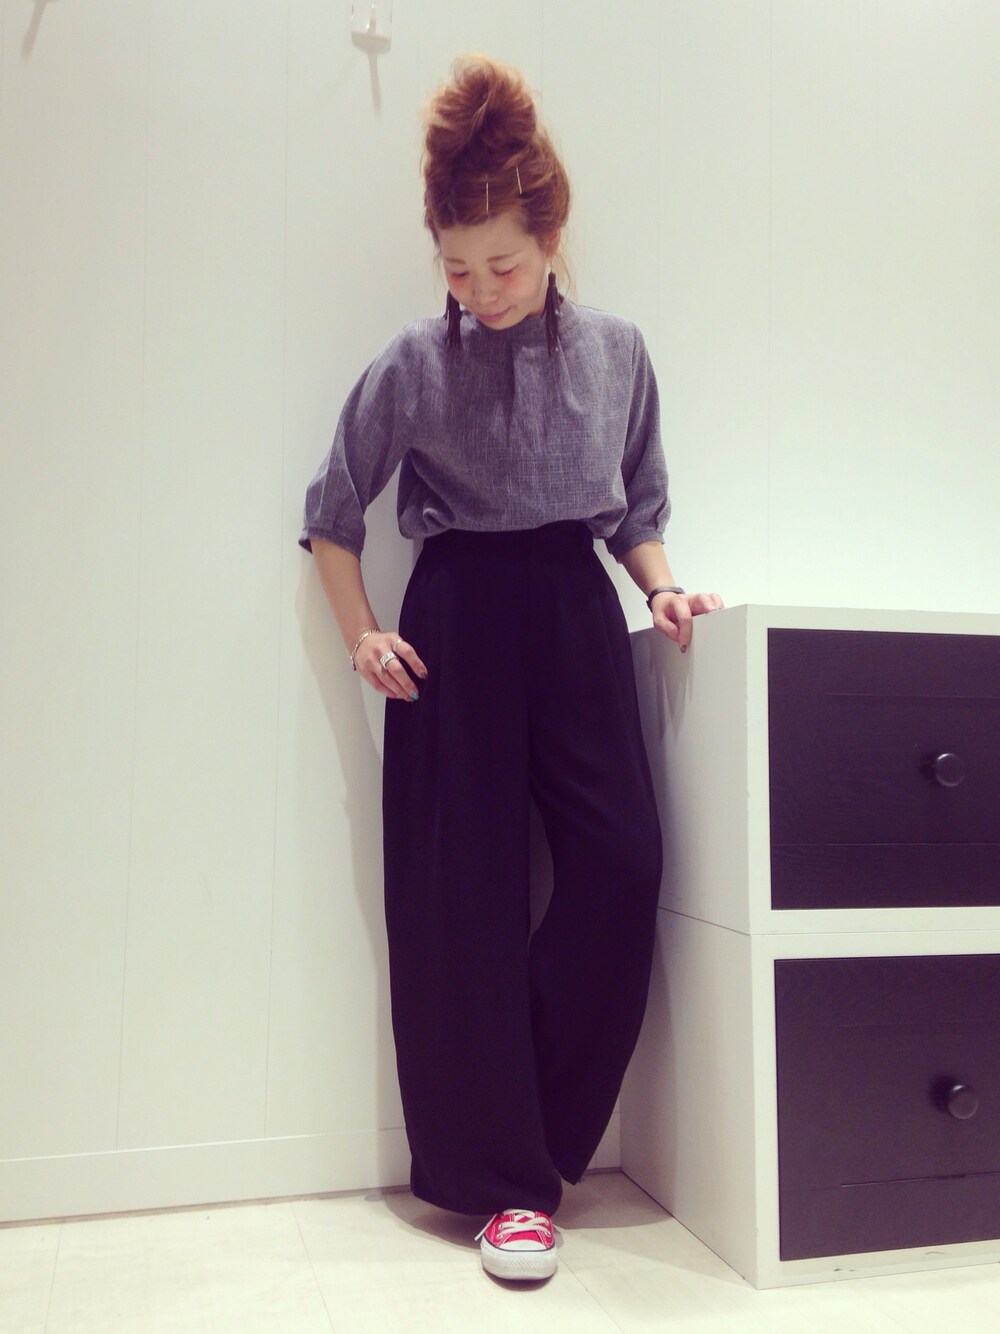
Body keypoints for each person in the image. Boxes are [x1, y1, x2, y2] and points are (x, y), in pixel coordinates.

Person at [300, 54, 723, 1283]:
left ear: (550, 239)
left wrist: (660, 584)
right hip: (456, 620)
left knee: (621, 864)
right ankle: (504, 1188)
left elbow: (633, 504)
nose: (479, 289)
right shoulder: (412, 363)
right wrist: (362, 631)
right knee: (460, 902)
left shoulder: (618, 351)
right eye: (455, 266)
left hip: (576, 612)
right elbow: (331, 515)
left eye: (503, 264)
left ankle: (527, 1128)